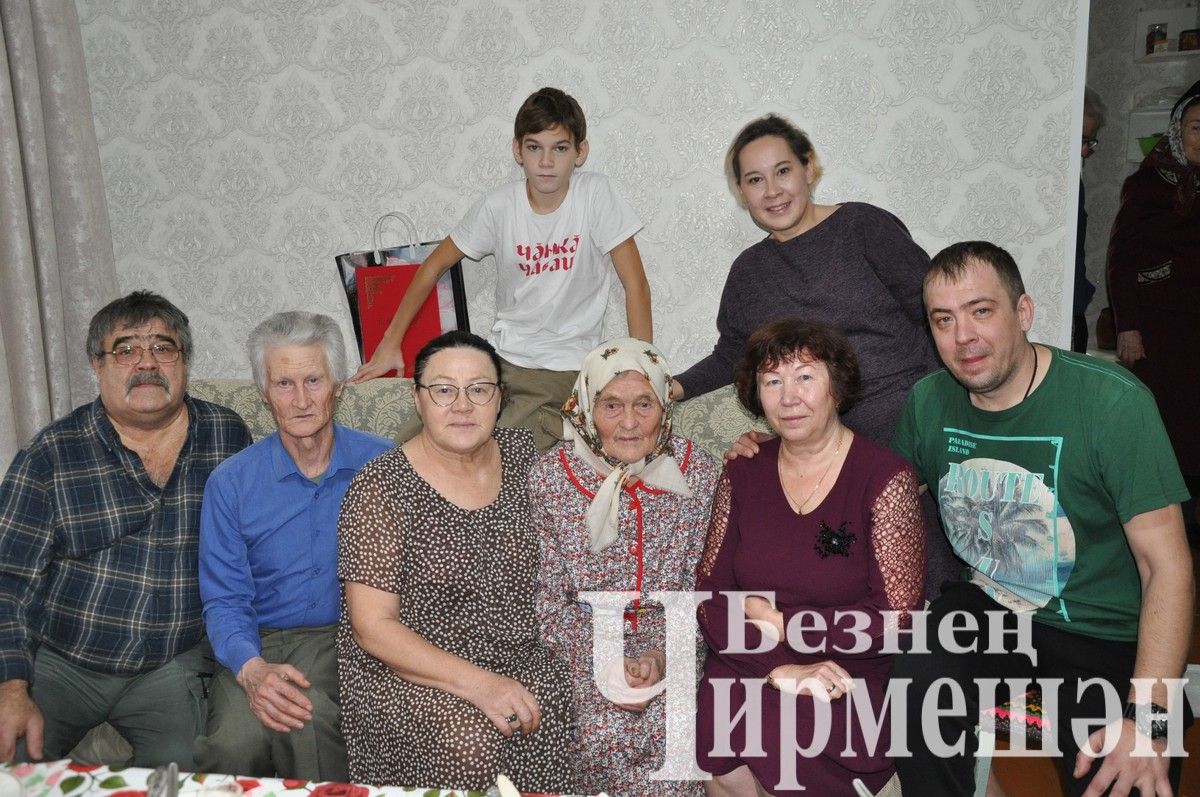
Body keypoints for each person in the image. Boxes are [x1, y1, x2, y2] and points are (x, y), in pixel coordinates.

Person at [891, 241, 1194, 797]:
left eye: (981, 311)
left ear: (1023, 312)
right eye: (943, 319)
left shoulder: (1111, 403)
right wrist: (783, 450)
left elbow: (1167, 567)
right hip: (993, 610)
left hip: (1103, 632)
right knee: (910, 681)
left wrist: (1149, 718)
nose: (963, 337)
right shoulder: (929, 401)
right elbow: (874, 496)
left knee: (1123, 778)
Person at [0, 291, 251, 766]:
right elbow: (7, 581)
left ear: (185, 360)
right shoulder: (50, 455)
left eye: (163, 347)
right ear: (98, 365)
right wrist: (10, 686)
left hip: (171, 663)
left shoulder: (227, 436)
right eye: (126, 349)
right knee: (10, 762)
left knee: (193, 777)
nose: (147, 363)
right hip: (61, 661)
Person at [350, 87, 652, 452]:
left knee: (490, 449)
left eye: (559, 148)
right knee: (412, 442)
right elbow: (432, 266)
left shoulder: (595, 196)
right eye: (534, 147)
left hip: (564, 368)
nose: (546, 161)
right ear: (517, 151)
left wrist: (643, 369)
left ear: (580, 152)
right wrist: (389, 345)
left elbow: (634, 284)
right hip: (501, 359)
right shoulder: (498, 207)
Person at [696, 319, 926, 796]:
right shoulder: (744, 470)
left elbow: (895, 618)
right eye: (772, 381)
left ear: (836, 388)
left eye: (805, 377)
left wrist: (789, 625)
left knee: (786, 739)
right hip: (752, 661)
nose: (788, 397)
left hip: (845, 667)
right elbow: (710, 594)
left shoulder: (886, 478)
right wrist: (780, 667)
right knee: (722, 729)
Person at [337, 330, 574, 791]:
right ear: (418, 400)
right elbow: (373, 627)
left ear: (500, 398)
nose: (462, 406)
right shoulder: (380, 487)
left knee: (570, 692)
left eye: (479, 389)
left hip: (518, 654)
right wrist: (482, 686)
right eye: (444, 390)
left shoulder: (528, 458)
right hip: (412, 669)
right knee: (468, 739)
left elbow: (616, 459)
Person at [195, 312, 391, 780]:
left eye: (313, 380)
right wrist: (252, 669)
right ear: (264, 392)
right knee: (233, 746)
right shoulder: (231, 482)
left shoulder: (384, 465)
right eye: (284, 383)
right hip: (258, 642)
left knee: (308, 722)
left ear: (338, 385)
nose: (301, 400)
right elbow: (224, 599)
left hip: (355, 638)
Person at [672, 113, 939, 448]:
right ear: (741, 192)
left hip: (911, 421)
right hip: (819, 443)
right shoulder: (748, 272)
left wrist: (940, 412)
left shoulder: (863, 226)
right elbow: (733, 355)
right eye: (755, 180)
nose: (772, 191)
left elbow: (936, 313)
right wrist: (670, 387)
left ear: (808, 169)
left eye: (783, 171)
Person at [531, 338, 721, 796]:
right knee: (601, 732)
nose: (630, 423)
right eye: (611, 406)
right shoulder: (551, 477)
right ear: (586, 408)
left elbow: (709, 589)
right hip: (581, 648)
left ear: (665, 406)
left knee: (675, 736)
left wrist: (661, 655)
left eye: (644, 404)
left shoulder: (699, 474)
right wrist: (606, 660)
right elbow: (551, 598)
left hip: (678, 642)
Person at [1107, 79, 1200, 536]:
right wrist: (1129, 327)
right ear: (1176, 130)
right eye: (1197, 127)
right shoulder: (1149, 182)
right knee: (1168, 428)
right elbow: (1121, 256)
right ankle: (1168, 525)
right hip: (1160, 331)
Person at [1072, 87, 1105, 353]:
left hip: (1073, 306)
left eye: (1090, 142)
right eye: (1081, 140)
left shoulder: (1075, 182)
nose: (1085, 151)